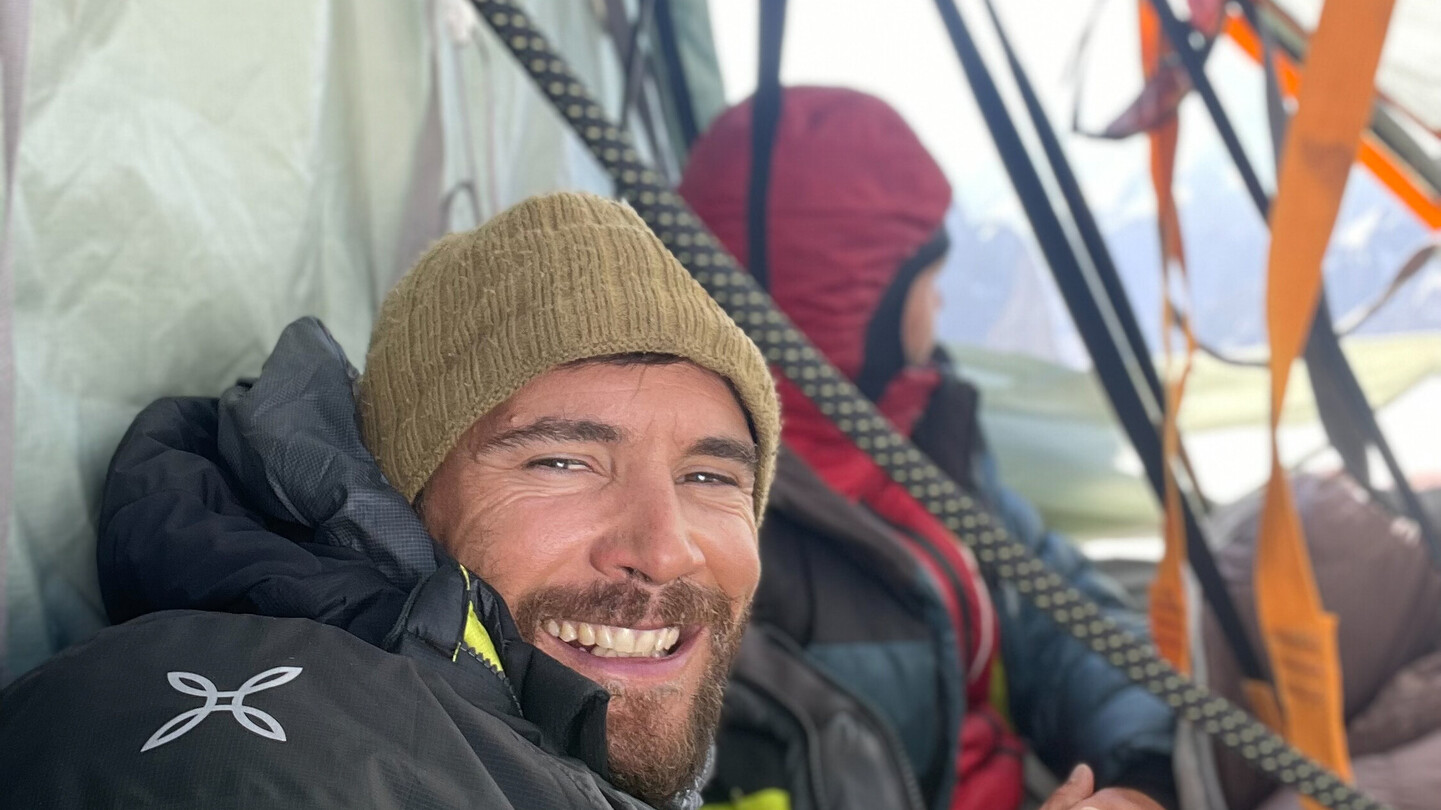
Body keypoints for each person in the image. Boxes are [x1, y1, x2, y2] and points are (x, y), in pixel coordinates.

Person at [0, 191, 782, 809]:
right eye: (560, 462)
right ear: (395, 500)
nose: (664, 548)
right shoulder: (255, 755)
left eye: (709, 477)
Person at [679, 87, 1175, 810]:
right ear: (848, 303)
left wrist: (1143, 779)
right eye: (925, 280)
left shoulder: (921, 443)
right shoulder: (717, 524)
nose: (940, 306)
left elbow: (1065, 618)